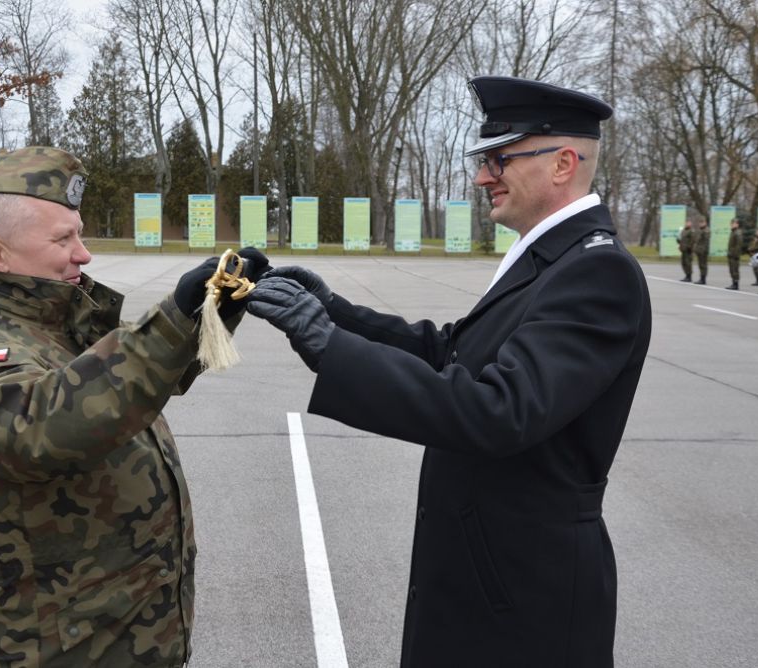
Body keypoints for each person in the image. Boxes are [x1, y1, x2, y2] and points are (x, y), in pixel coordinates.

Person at [247, 76, 651, 667]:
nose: (483, 176)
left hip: (524, 601)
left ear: (563, 163)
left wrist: (329, 346)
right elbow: (451, 352)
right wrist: (332, 311)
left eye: (499, 159)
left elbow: (500, 409)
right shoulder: (550, 260)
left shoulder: (596, 273)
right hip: (489, 580)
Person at [0, 146, 267, 667]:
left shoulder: (53, 322)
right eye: (63, 239)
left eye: (78, 234)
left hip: (117, 635)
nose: (83, 254)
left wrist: (207, 314)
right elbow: (48, 425)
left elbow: (126, 381)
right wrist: (170, 321)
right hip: (50, 648)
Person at [725, 218, 742, 290]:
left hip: (734, 255)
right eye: (731, 223)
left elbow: (738, 245)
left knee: (735, 270)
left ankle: (736, 284)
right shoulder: (733, 232)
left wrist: (735, 255)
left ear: (737, 224)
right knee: (732, 269)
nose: (732, 225)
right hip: (731, 254)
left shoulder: (737, 233)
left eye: (733, 223)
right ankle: (733, 283)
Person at [693, 218, 710, 284]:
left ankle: (703, 279)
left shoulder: (706, 230)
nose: (700, 224)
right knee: (700, 265)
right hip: (699, 251)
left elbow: (706, 242)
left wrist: (703, 250)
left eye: (702, 222)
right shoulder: (701, 230)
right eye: (700, 223)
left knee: (703, 265)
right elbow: (697, 241)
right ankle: (701, 278)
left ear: (705, 223)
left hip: (703, 251)